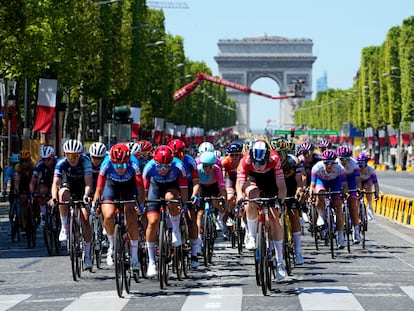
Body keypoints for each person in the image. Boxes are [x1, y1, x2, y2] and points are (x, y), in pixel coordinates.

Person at [236, 139, 287, 280]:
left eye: (261, 163)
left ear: (267, 158)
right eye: (255, 162)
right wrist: (240, 197)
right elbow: (240, 184)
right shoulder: (245, 160)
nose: (258, 166)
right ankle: (252, 235)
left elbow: (282, 186)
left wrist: (280, 201)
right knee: (251, 196)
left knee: (274, 219)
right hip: (253, 180)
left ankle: (280, 261)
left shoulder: (275, 159)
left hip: (270, 181)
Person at [92, 143, 145, 271]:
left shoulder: (134, 165)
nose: (119, 168)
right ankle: (111, 245)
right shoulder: (106, 164)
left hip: (129, 187)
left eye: (122, 165)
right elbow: (98, 190)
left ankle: (134, 257)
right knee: (108, 215)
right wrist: (95, 206)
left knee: (131, 214)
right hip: (112, 186)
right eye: (116, 165)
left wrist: (141, 205)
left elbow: (141, 190)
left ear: (128, 161)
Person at [142, 145, 189, 277]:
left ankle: (175, 231)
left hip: (172, 187)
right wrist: (144, 205)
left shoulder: (179, 166)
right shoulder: (149, 168)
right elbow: (144, 192)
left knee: (171, 199)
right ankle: (152, 261)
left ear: (171, 163)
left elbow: (184, 189)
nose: (163, 170)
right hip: (155, 188)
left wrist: (184, 205)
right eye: (160, 167)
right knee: (153, 222)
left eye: (166, 167)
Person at [49, 139, 94, 269]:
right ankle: (64, 227)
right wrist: (54, 198)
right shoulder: (61, 163)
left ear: (80, 155)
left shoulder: (85, 162)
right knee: (62, 195)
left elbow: (88, 184)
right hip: (68, 184)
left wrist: (86, 196)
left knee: (85, 219)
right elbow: (55, 184)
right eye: (69, 155)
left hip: (82, 187)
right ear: (65, 154)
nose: (72, 159)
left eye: (75, 156)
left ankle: (87, 255)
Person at [167, 138, 201, 268]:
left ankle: (194, 253)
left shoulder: (190, 162)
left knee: (191, 218)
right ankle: (167, 245)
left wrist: (193, 195)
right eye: (174, 155)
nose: (177, 157)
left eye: (180, 154)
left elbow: (196, 182)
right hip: (173, 188)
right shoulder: (168, 163)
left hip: (187, 187)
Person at [272, 139, 305, 265]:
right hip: (275, 188)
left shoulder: (293, 162)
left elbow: (299, 180)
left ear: (286, 153)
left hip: (291, 186)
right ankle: (273, 251)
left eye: (281, 153)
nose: (279, 157)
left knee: (293, 214)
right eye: (276, 153)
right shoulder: (270, 163)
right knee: (272, 218)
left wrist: (299, 190)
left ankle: (298, 251)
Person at [309, 149, 349, 249]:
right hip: (321, 182)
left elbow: (344, 185)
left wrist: (345, 193)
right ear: (323, 162)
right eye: (326, 163)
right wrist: (312, 195)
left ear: (335, 162)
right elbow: (312, 185)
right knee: (320, 193)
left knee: (338, 207)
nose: (329, 165)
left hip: (335, 183)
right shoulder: (316, 168)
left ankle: (340, 237)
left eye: (332, 163)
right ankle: (321, 216)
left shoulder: (340, 169)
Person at [195, 151, 227, 249]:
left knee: (216, 201)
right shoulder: (197, 169)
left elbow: (221, 185)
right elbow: (195, 185)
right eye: (205, 166)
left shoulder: (217, 170)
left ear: (214, 165)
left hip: (214, 186)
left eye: (210, 167)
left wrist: (223, 198)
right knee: (199, 214)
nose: (208, 169)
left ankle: (219, 219)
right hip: (201, 187)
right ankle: (199, 239)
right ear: (201, 165)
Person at [336, 145, 362, 243]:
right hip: (339, 180)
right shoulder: (336, 164)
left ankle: (356, 233)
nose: (344, 161)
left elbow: (358, 180)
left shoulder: (354, 165)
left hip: (351, 180)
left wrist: (358, 190)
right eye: (342, 159)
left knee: (353, 205)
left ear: (350, 158)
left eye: (347, 159)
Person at [221, 142, 244, 240]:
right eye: (232, 155)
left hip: (241, 180)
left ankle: (244, 221)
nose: (234, 157)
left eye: (237, 155)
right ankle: (225, 223)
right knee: (230, 197)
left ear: (240, 154)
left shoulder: (244, 160)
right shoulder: (225, 162)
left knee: (244, 199)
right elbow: (221, 177)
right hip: (229, 179)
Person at [29, 146, 57, 225]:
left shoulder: (58, 163)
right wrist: (32, 193)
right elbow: (33, 181)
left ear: (53, 157)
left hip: (56, 181)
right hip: (45, 181)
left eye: (48, 159)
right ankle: (44, 215)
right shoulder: (39, 165)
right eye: (44, 159)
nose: (46, 162)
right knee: (41, 192)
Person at [14, 150, 35, 230]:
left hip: (31, 181)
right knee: (23, 202)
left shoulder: (33, 166)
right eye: (22, 161)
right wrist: (16, 189)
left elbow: (37, 179)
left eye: (25, 161)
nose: (23, 163)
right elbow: (17, 180)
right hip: (22, 183)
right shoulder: (17, 167)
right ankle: (24, 224)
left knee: (36, 198)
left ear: (29, 160)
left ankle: (36, 215)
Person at [355, 152, 380, 221]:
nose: (362, 168)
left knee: (368, 187)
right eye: (360, 166)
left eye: (363, 165)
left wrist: (376, 194)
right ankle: (356, 211)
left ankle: (369, 207)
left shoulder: (371, 170)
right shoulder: (355, 170)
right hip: (358, 182)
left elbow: (376, 184)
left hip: (367, 181)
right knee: (358, 188)